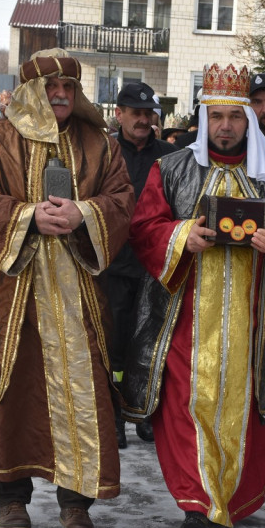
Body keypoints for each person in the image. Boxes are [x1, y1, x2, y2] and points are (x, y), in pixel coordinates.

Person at [122, 63, 265, 528]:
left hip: (252, 322)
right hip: (186, 317)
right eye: (217, 116)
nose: (226, 126)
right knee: (189, 402)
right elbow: (144, 227)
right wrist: (182, 236)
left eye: (235, 116)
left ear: (248, 119)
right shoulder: (171, 169)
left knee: (246, 404)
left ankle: (228, 496)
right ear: (204, 118)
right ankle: (195, 501)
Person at [0, 49, 134, 528]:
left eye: (69, 87)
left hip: (79, 296)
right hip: (15, 294)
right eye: (50, 87)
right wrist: (27, 215)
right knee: (15, 390)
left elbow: (121, 201)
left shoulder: (100, 144)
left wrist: (84, 215)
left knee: (85, 394)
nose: (60, 95)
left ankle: (77, 503)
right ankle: (11, 498)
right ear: (32, 90)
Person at [106, 81, 178, 448]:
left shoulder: (169, 154)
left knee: (150, 344)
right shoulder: (104, 152)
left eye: (148, 114)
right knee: (114, 347)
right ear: (118, 114)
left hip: (155, 266)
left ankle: (146, 413)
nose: (143, 120)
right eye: (136, 113)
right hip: (114, 266)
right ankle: (115, 416)